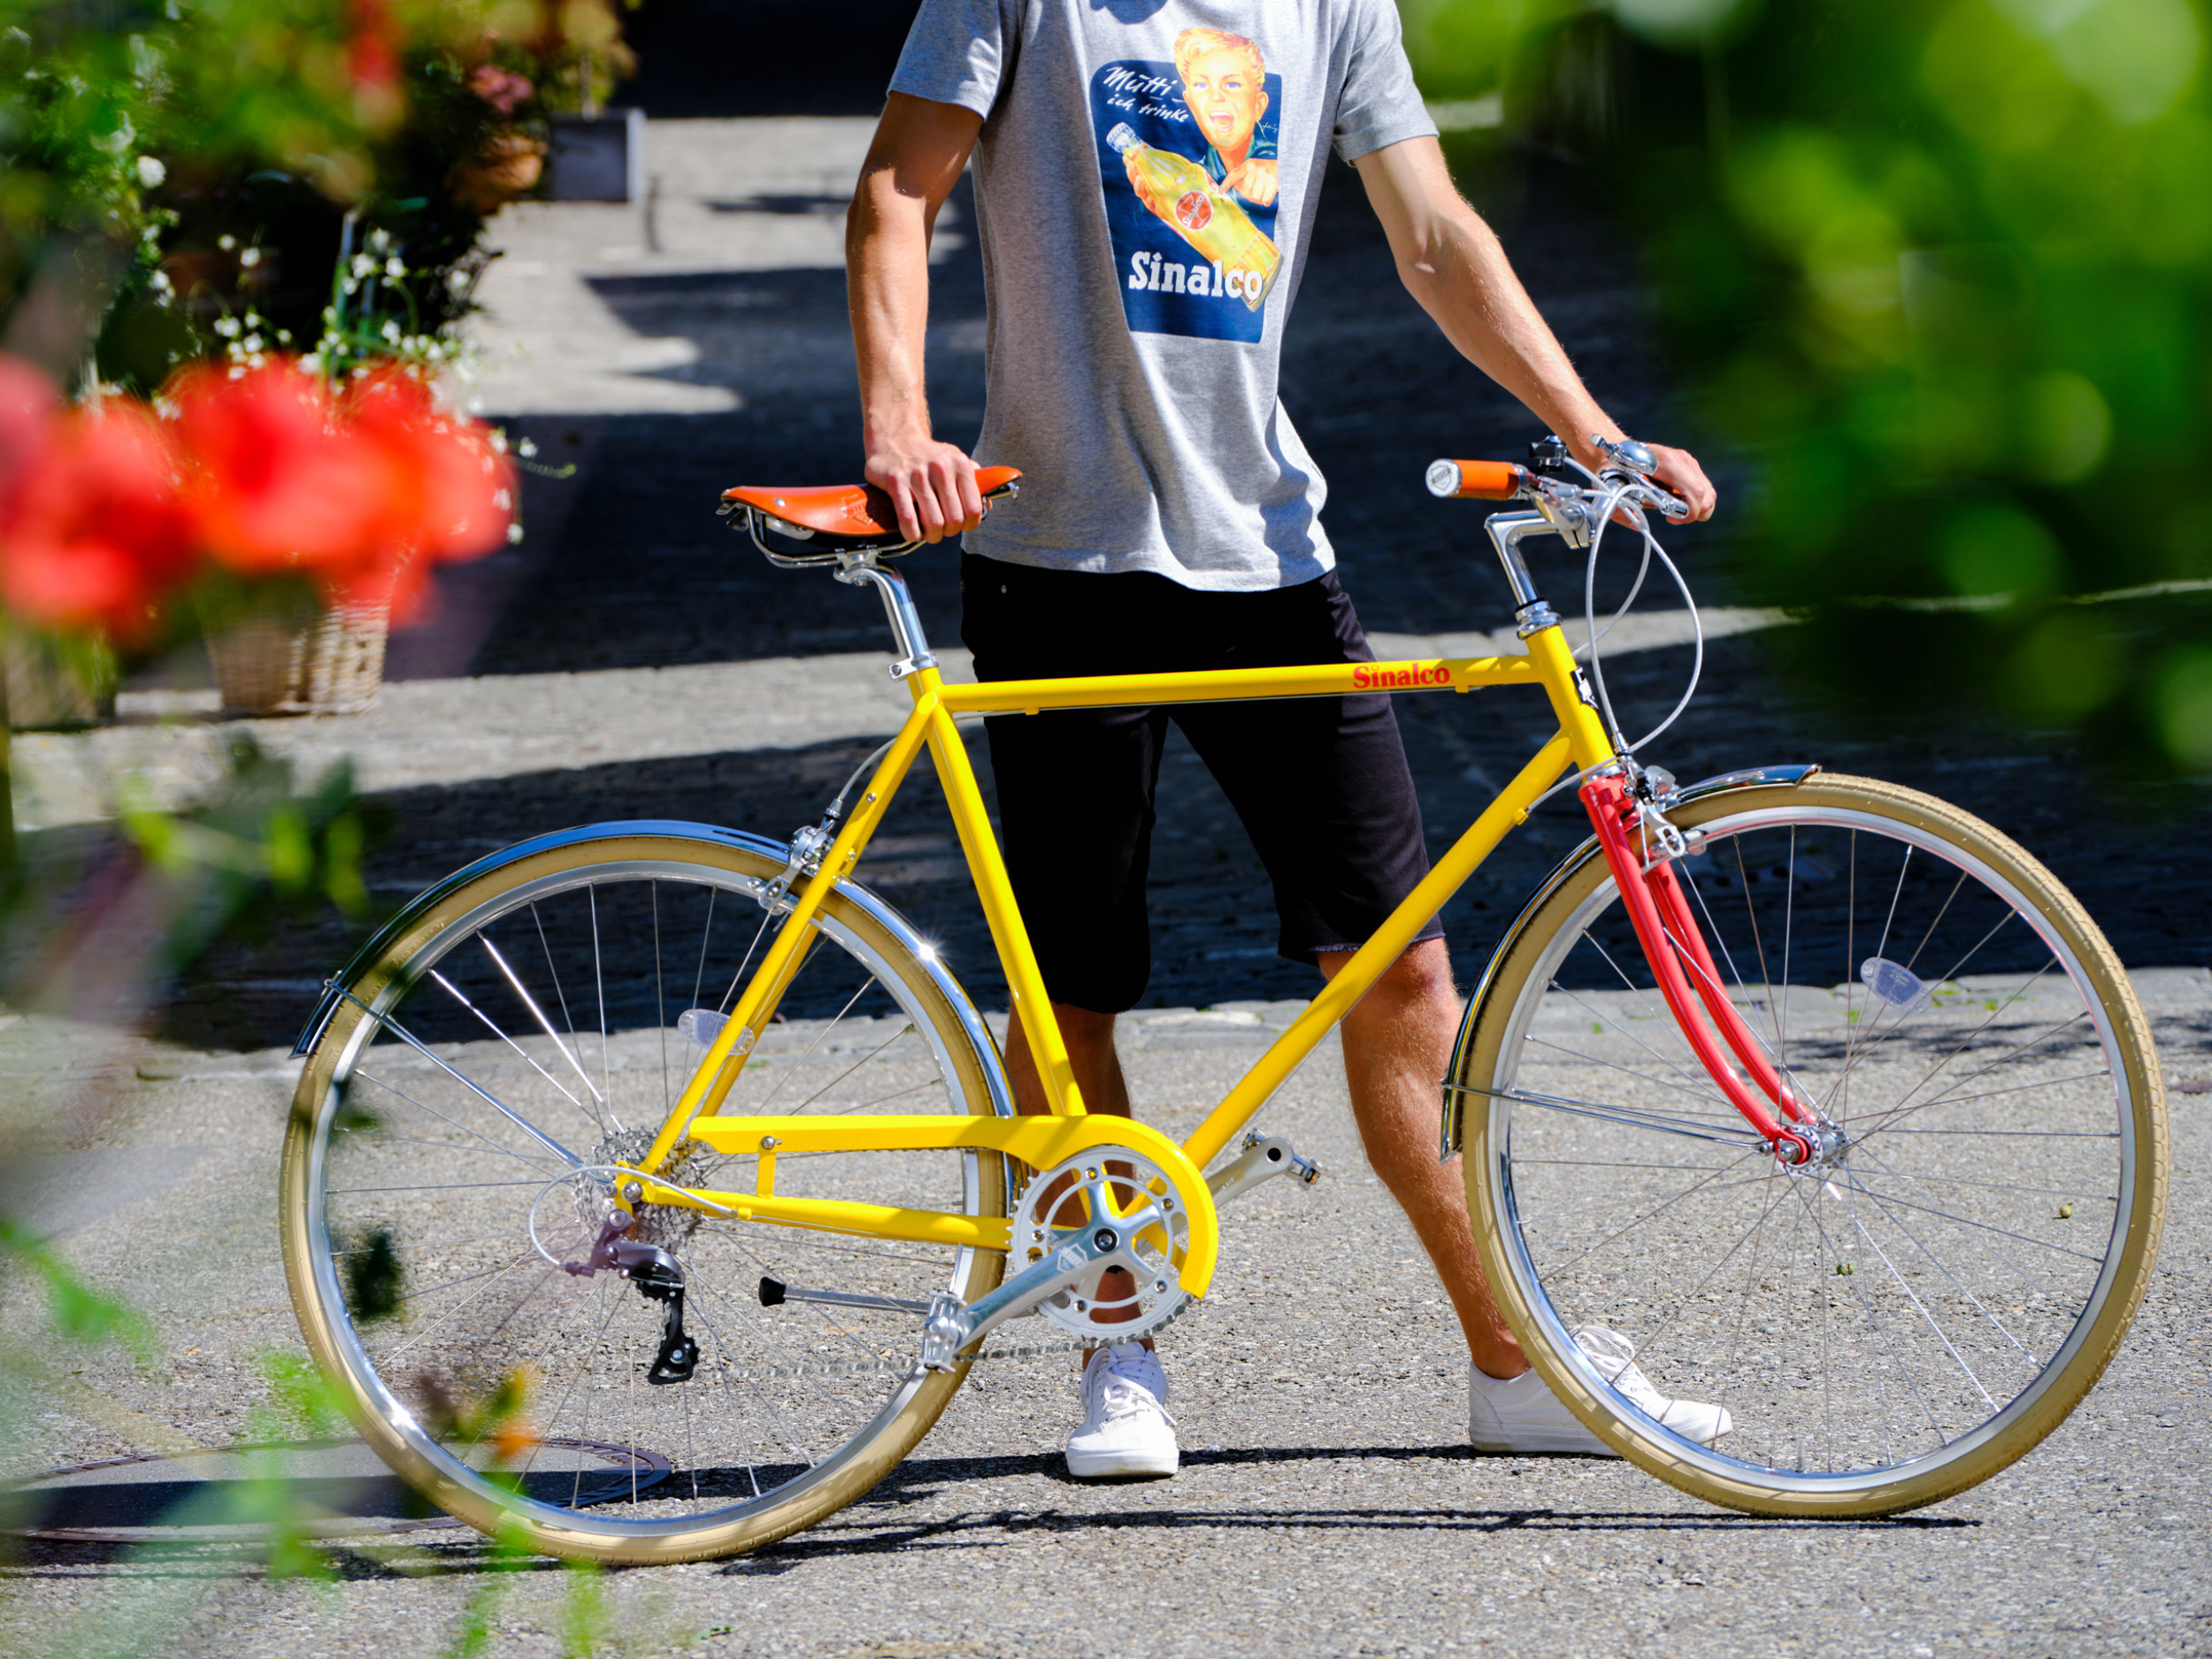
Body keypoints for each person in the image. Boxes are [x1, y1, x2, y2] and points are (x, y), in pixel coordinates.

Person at [846, 0, 1731, 1479]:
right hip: (1056, 553)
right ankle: (1113, 1345)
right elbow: (896, 188)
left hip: (1267, 554)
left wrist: (1584, 424)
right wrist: (897, 428)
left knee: (1401, 963)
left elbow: (1434, 228)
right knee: (1069, 986)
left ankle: (1513, 1364)